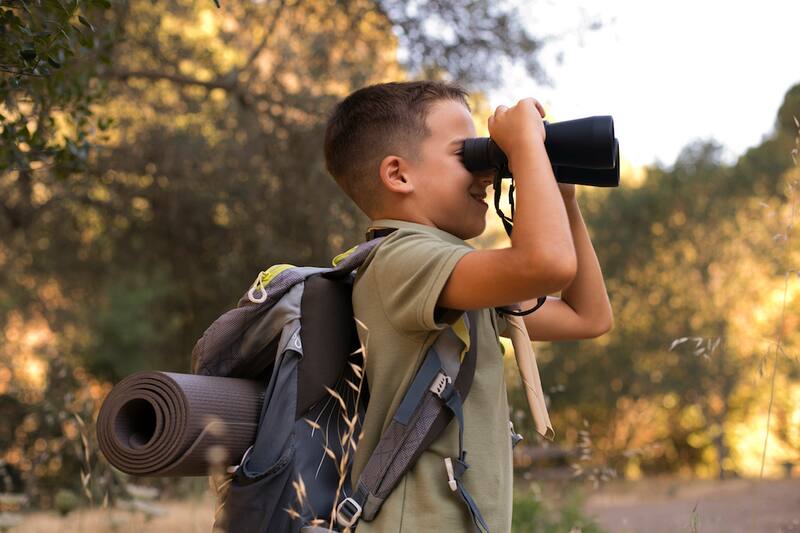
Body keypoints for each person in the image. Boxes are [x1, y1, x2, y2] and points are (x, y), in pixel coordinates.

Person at [322, 80, 613, 532]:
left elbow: (588, 317)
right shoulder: (402, 260)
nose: (487, 173)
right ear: (398, 174)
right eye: (468, 154)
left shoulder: (454, 274)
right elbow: (547, 264)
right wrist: (525, 150)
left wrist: (564, 199)